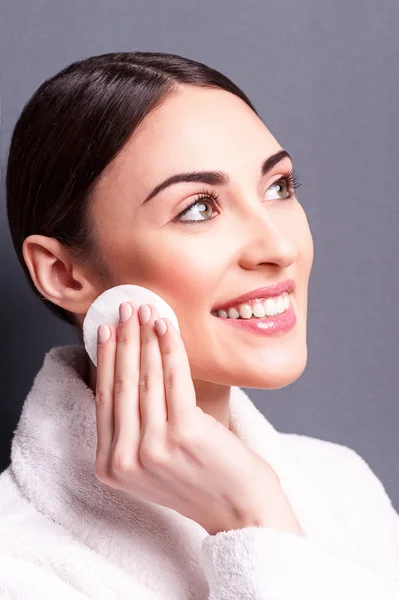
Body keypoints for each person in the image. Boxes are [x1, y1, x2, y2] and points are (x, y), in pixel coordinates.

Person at [0, 51, 398, 599]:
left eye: (278, 187)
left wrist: (257, 513)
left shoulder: (343, 485)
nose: (278, 247)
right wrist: (250, 519)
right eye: (198, 208)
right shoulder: (15, 565)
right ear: (66, 274)